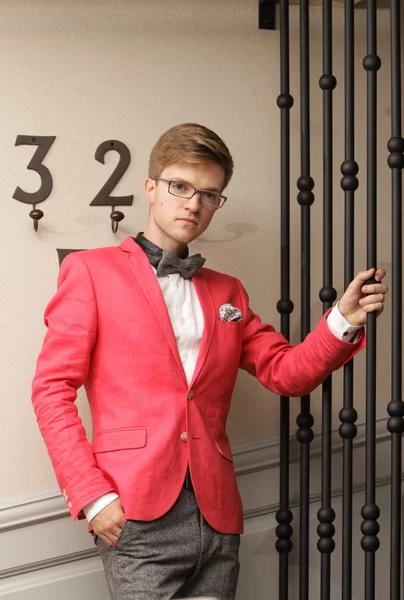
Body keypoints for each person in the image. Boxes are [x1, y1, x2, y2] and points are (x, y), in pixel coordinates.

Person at [31, 123, 388, 600]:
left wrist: (342, 320)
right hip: (134, 514)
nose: (193, 203)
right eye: (180, 186)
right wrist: (93, 497)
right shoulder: (90, 272)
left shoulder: (227, 291)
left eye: (209, 194)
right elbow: (51, 390)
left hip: (216, 515)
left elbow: (287, 373)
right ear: (152, 188)